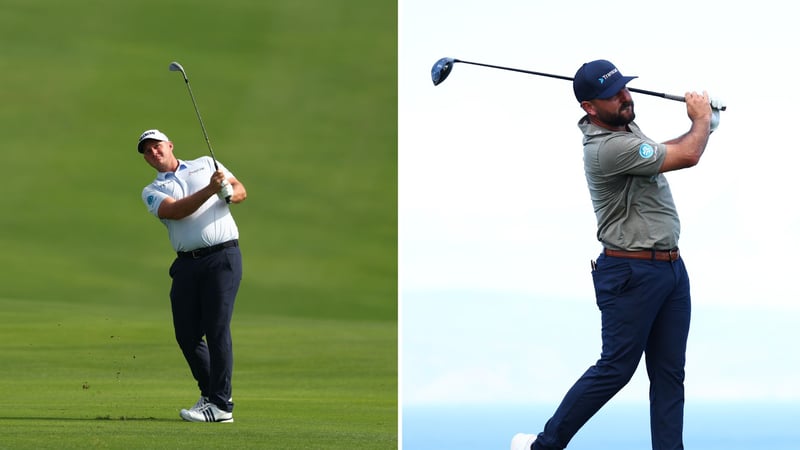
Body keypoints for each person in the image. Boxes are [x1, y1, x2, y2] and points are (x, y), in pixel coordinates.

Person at [511, 60, 721, 450]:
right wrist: (701, 121)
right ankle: (544, 445)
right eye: (613, 95)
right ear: (590, 107)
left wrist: (705, 126)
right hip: (630, 273)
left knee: (669, 374)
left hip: (671, 269)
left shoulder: (623, 127)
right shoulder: (607, 148)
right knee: (616, 369)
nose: (625, 97)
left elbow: (664, 151)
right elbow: (688, 155)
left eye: (624, 88)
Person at [138, 129, 247, 423]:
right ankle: (212, 394)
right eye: (147, 151)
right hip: (187, 264)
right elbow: (176, 212)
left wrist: (229, 193)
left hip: (222, 256)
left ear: (170, 145)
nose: (154, 153)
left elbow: (240, 189)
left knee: (216, 328)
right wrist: (212, 190)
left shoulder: (205, 163)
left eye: (157, 146)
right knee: (186, 334)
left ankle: (221, 405)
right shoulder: (151, 191)